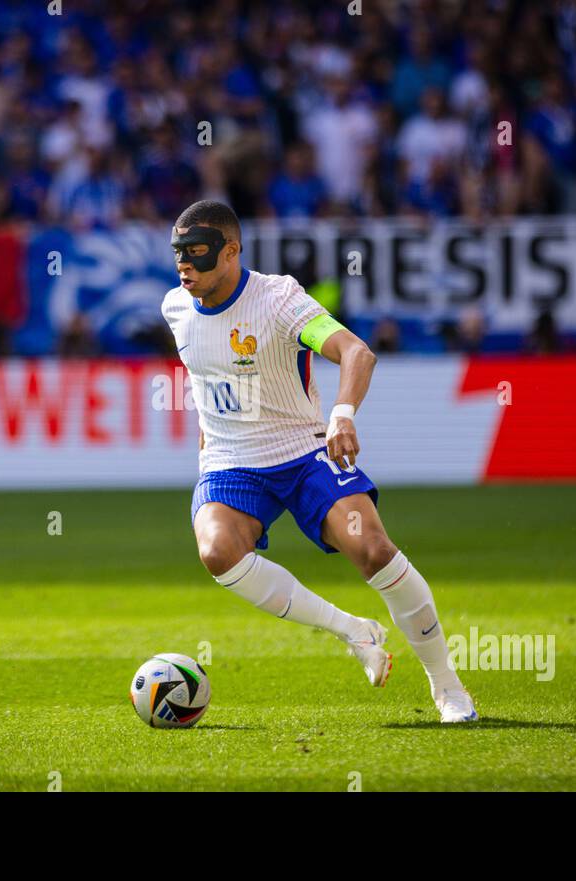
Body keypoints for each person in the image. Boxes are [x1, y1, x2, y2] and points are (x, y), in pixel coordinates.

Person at [160, 200, 477, 723]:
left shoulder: (278, 300)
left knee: (374, 551)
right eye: (178, 253)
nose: (185, 265)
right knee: (217, 551)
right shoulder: (175, 308)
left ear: (231, 251)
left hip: (305, 452)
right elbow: (207, 384)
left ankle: (447, 686)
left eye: (197, 252)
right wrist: (207, 458)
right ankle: (352, 631)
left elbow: (356, 353)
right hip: (231, 463)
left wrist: (342, 415)